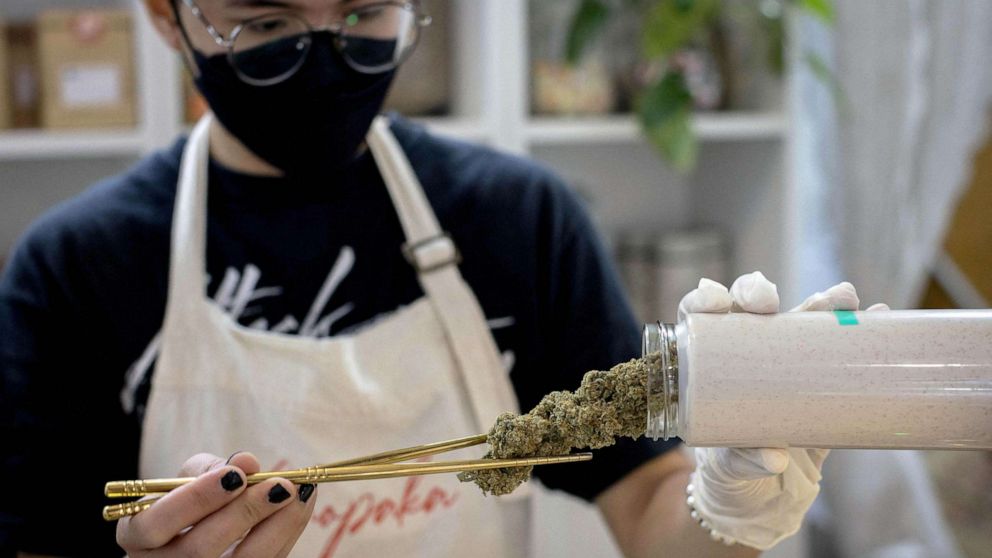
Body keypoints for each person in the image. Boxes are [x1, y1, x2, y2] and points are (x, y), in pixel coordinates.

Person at [0, 1, 874, 556]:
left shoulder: (514, 219)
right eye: (263, 26)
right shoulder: (76, 267)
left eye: (364, 15)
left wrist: (729, 505)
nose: (323, 57)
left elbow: (645, 501)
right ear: (167, 17)